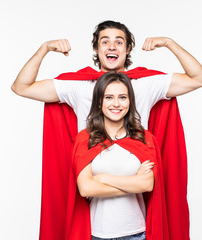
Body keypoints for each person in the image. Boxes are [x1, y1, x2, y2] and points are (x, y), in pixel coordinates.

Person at [11, 20, 202, 240]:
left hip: (133, 169)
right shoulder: (78, 86)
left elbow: (200, 78)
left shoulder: (145, 84)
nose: (112, 46)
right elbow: (22, 87)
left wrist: (169, 43)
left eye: (119, 42)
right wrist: (44, 49)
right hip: (92, 179)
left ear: (127, 49)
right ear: (97, 49)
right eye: (105, 42)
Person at [68, 71, 166, 240]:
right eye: (108, 97)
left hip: (136, 233)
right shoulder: (86, 138)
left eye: (122, 97)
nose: (116, 104)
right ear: (99, 102)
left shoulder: (143, 138)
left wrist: (102, 178)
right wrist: (134, 182)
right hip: (97, 234)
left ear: (130, 101)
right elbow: (86, 189)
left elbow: (147, 184)